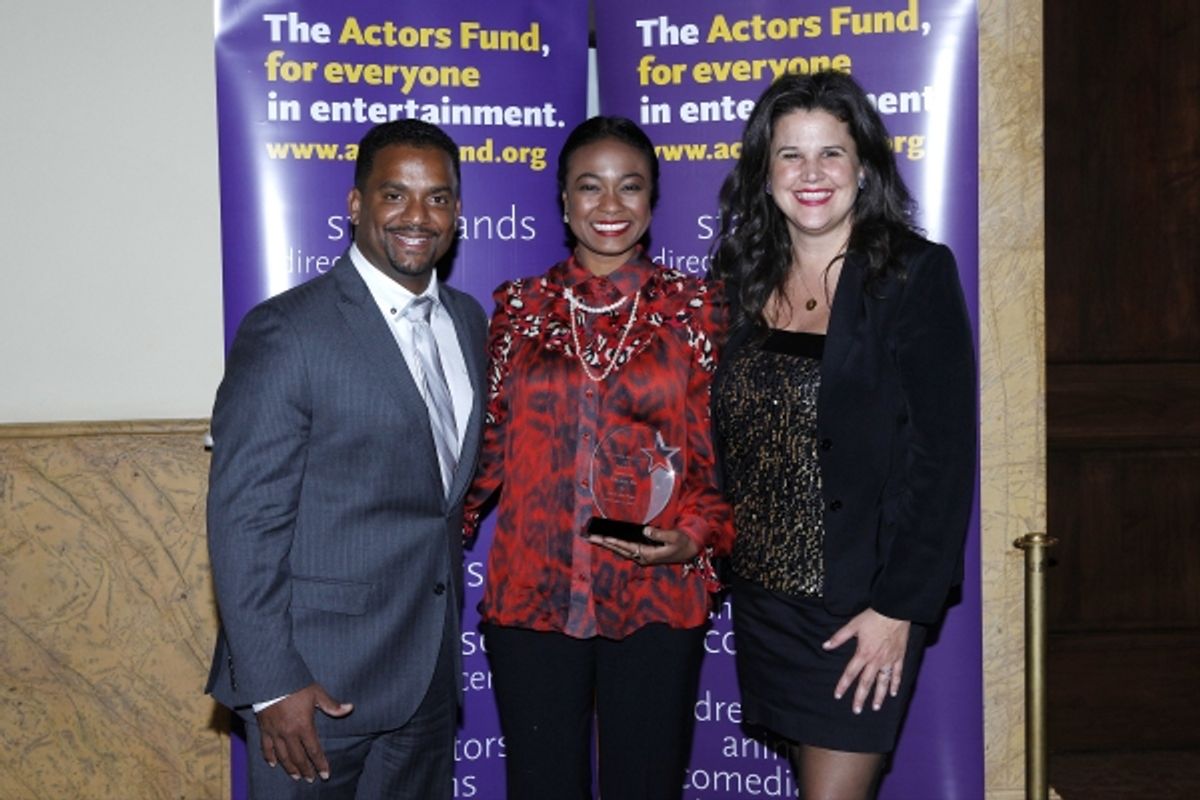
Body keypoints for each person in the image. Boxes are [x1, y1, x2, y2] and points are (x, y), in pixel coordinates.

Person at [709, 71, 976, 799]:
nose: (812, 173)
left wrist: (898, 610)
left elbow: (943, 459)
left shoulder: (914, 274)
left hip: (864, 601)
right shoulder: (738, 278)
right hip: (766, 599)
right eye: (790, 155)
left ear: (863, 168)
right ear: (765, 175)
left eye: (832, 152)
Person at [205, 119, 487, 799]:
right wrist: (273, 684)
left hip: (423, 684)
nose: (418, 216)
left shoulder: (470, 321)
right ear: (356, 204)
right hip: (312, 693)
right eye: (395, 195)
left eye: (439, 198)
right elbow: (244, 523)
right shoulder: (287, 332)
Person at [463, 116, 734, 800]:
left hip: (655, 599)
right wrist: (420, 546)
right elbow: (484, 449)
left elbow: (718, 455)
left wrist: (694, 538)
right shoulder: (519, 310)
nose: (609, 206)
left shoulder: (697, 310)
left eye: (629, 187)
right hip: (532, 600)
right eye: (590, 186)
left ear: (652, 200)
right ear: (562, 200)